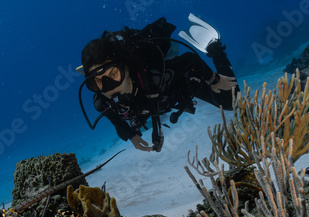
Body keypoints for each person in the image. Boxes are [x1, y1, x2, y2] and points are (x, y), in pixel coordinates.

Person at [79, 14, 238, 152]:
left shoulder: (154, 78)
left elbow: (190, 59)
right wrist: (131, 136)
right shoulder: (102, 101)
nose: (108, 86)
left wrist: (215, 80)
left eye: (113, 74)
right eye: (98, 82)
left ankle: (214, 46)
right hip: (163, 101)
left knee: (232, 102)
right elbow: (115, 120)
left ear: (125, 68)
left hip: (183, 81)